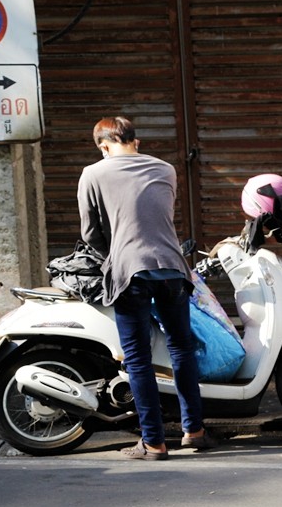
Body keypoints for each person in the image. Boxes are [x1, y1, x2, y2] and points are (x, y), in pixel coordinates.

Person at [78, 116, 216, 460]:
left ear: (103, 145)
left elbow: (91, 233)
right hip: (172, 267)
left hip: (130, 270)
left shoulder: (93, 173)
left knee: (137, 359)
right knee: (182, 349)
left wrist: (115, 252)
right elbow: (158, 216)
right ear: (134, 141)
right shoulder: (167, 169)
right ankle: (194, 430)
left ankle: (153, 442)